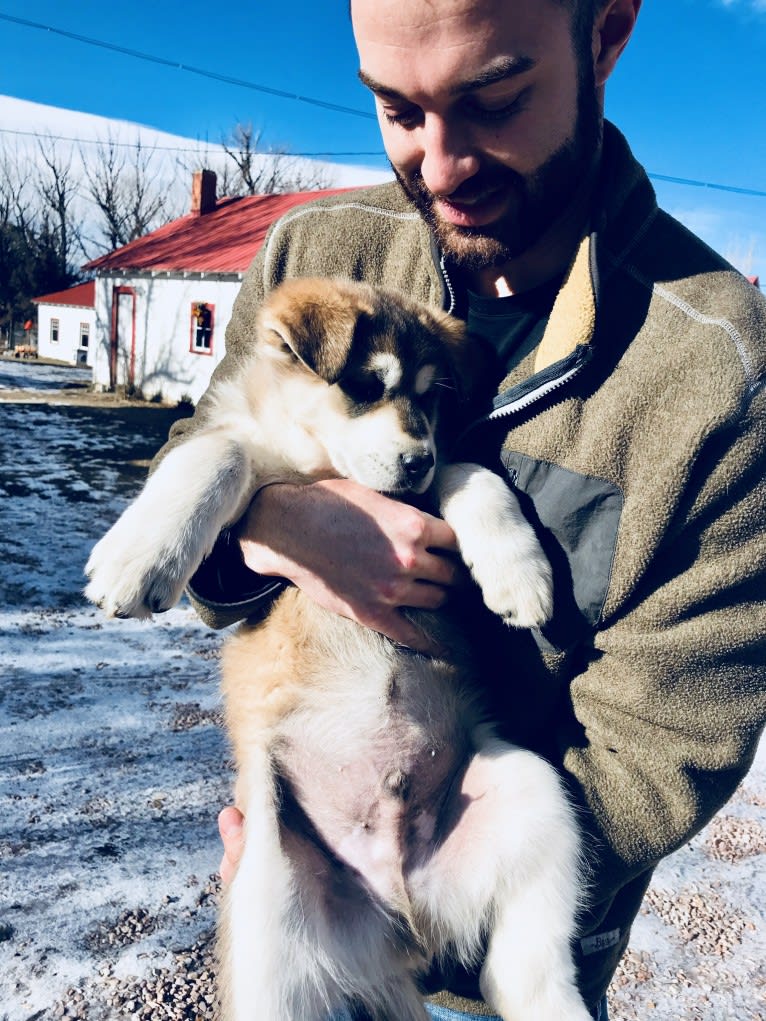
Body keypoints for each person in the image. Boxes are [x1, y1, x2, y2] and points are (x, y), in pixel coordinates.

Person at [159, 1, 766, 1018]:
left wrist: (429, 916)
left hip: (499, 954)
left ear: (607, 33)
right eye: (397, 109)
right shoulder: (317, 252)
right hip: (302, 885)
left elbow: (669, 737)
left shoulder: (715, 369)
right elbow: (201, 485)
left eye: (493, 100)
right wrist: (272, 527)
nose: (441, 163)